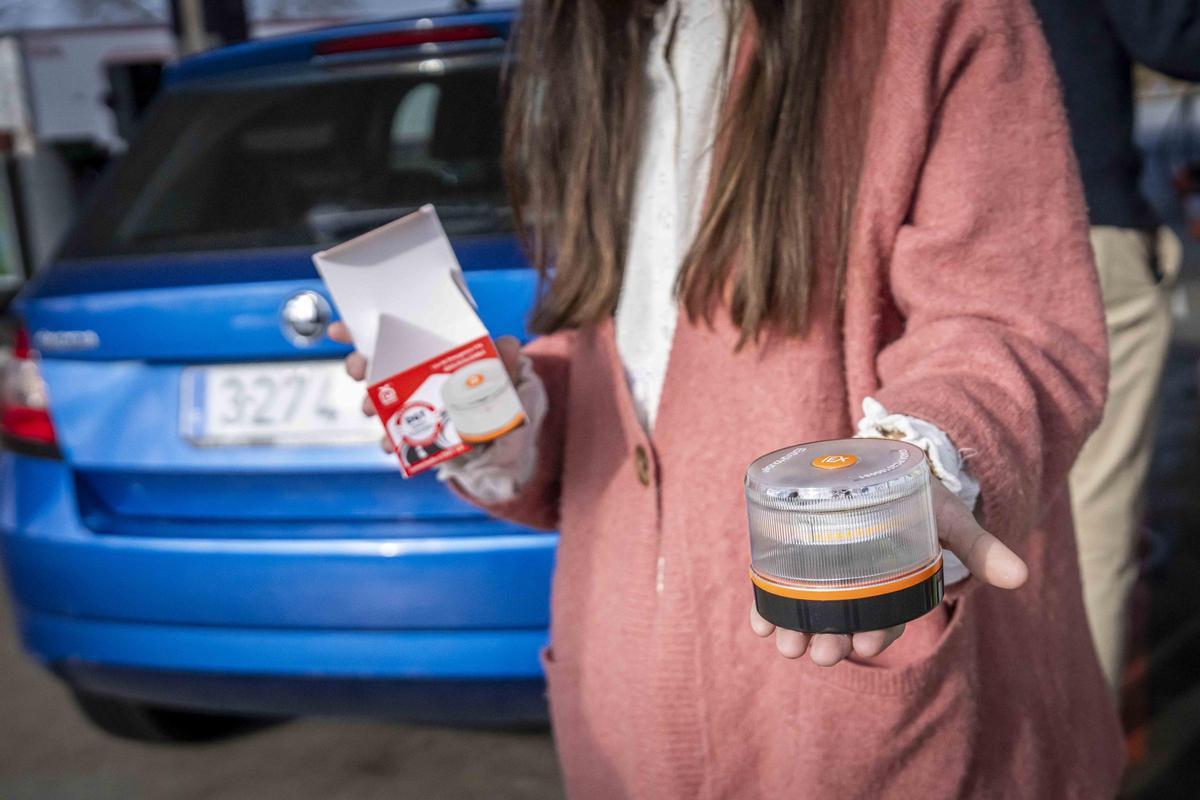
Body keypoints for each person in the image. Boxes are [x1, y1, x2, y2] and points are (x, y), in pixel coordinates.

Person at [332, 0, 1124, 795]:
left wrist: (925, 470)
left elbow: (1006, 319)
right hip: (623, 724)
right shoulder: (591, 45)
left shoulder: (928, 19)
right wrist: (506, 420)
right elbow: (639, 367)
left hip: (855, 723)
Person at [1031, 0, 1200, 695]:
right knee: (1095, 527)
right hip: (1082, 224)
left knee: (978, 515)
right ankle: (1078, 768)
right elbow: (1173, 36)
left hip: (928, 240)